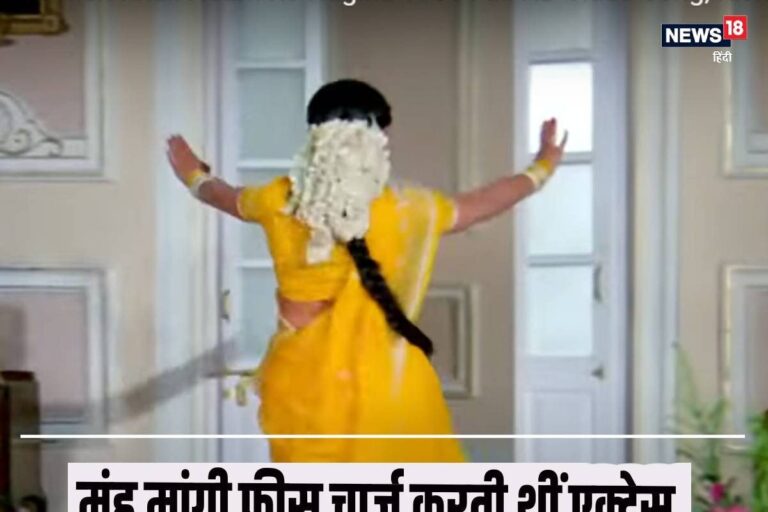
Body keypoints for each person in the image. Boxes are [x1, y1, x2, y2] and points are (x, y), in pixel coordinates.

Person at [166, 79, 566, 462]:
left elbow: (221, 195)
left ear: (314, 135)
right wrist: (542, 167)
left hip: (304, 383)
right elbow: (478, 205)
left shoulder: (277, 199)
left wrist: (193, 175)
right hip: (386, 383)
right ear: (378, 138)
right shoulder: (404, 210)